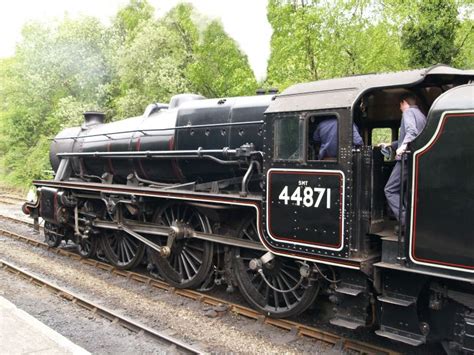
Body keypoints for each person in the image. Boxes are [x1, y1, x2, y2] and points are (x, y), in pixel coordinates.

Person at [381, 93, 427, 231]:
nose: (400, 108)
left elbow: (411, 132)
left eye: (400, 106)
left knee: (389, 189)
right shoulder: (422, 116)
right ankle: (411, 222)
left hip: (405, 160)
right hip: (415, 160)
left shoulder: (408, 112)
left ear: (403, 103)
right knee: (408, 193)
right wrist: (392, 144)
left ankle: (405, 221)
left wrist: (402, 147)